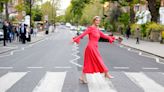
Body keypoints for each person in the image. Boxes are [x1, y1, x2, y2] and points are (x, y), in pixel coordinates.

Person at [72, 16, 121, 84]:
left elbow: (105, 36)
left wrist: (114, 38)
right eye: (97, 20)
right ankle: (106, 73)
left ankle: (82, 77)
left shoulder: (97, 29)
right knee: (99, 60)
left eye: (99, 21)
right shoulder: (91, 28)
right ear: (94, 21)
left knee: (87, 64)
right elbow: (83, 34)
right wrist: (74, 39)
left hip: (94, 47)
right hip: (91, 48)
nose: (98, 22)